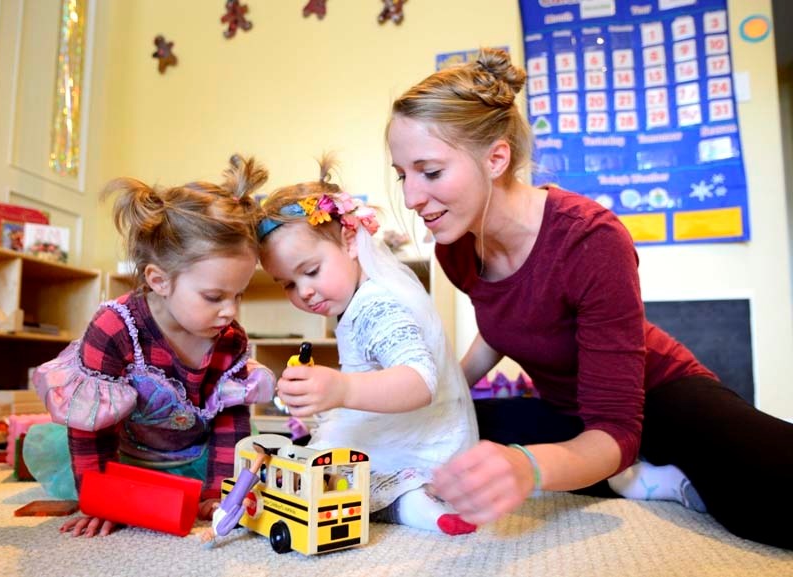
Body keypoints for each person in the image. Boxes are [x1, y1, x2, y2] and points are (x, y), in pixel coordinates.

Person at [386, 47, 793, 550]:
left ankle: (646, 471)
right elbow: (501, 325)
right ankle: (638, 477)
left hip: (660, 395)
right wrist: (439, 393)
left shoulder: (589, 239)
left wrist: (528, 467)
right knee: (442, 442)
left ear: (496, 157)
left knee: (766, 502)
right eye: (403, 174)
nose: (410, 198)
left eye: (429, 172)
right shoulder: (458, 248)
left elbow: (616, 427)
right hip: (570, 411)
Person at [32, 155, 276, 537]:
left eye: (239, 295)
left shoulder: (231, 340)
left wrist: (216, 493)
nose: (230, 311)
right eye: (214, 296)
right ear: (159, 280)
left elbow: (230, 425)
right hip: (126, 457)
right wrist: (100, 499)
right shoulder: (114, 328)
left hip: (196, 455)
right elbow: (90, 424)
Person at [257, 156, 479, 535]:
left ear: (349, 240)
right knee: (313, 463)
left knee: (327, 483)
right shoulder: (364, 298)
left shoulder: (376, 304)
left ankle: (411, 501)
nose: (304, 292)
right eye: (288, 284)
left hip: (422, 446)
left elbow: (419, 381)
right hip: (419, 437)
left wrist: (342, 389)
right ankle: (413, 499)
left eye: (311, 271)